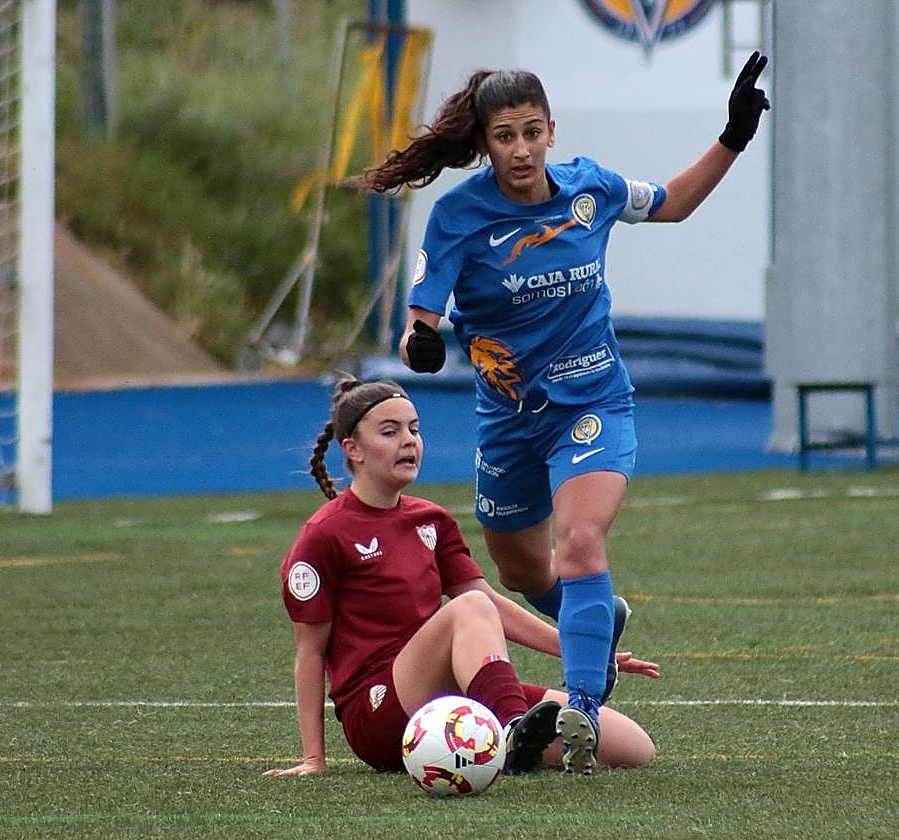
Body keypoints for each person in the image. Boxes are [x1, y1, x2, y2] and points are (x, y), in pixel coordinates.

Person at [360, 54, 770, 771]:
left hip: (593, 402)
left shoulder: (590, 190)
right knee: (521, 571)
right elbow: (417, 321)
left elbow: (673, 201)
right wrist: (421, 344)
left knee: (581, 543)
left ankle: (579, 709)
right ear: (485, 144)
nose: (520, 150)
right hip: (509, 419)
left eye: (530, 133)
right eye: (504, 137)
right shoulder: (459, 216)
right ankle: (595, 616)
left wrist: (732, 135)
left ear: (551, 131)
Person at [263, 376, 659, 779]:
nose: (409, 441)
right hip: (379, 712)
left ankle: (513, 733)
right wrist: (314, 759)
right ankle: (510, 729)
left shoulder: (431, 519)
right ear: (353, 449)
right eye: (390, 431)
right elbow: (310, 653)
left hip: (451, 693)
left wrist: (578, 648)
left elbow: (488, 601)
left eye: (415, 429)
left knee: (631, 745)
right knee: (469, 607)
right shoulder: (324, 534)